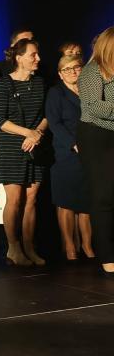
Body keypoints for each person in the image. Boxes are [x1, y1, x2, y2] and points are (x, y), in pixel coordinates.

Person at [0, 38, 48, 266]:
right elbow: (0, 120)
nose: (38, 59)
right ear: (19, 58)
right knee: (15, 199)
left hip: (35, 145)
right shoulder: (4, 84)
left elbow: (46, 115)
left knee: (31, 199)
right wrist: (28, 133)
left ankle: (29, 247)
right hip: (12, 147)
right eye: (33, 55)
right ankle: (13, 248)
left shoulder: (40, 83)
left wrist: (37, 133)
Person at [46, 55, 94, 261]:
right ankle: (69, 247)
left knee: (87, 202)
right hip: (66, 152)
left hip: (91, 151)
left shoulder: (89, 90)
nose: (73, 72)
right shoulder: (56, 93)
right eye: (67, 69)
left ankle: (87, 246)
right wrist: (73, 143)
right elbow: (54, 123)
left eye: (76, 67)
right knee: (66, 201)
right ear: (60, 74)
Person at [76, 27, 114, 277]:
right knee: (103, 196)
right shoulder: (92, 70)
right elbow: (93, 105)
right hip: (97, 136)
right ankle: (107, 256)